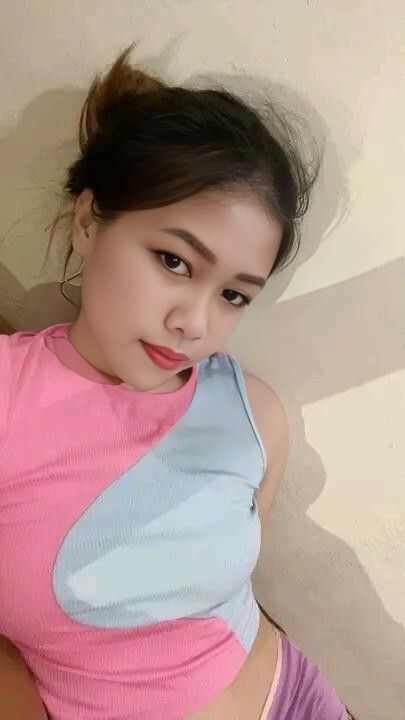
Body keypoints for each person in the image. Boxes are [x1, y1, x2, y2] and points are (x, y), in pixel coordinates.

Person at [0, 46, 355, 720]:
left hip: (296, 700)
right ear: (87, 221)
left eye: (234, 295)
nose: (193, 323)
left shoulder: (254, 414)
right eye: (174, 261)